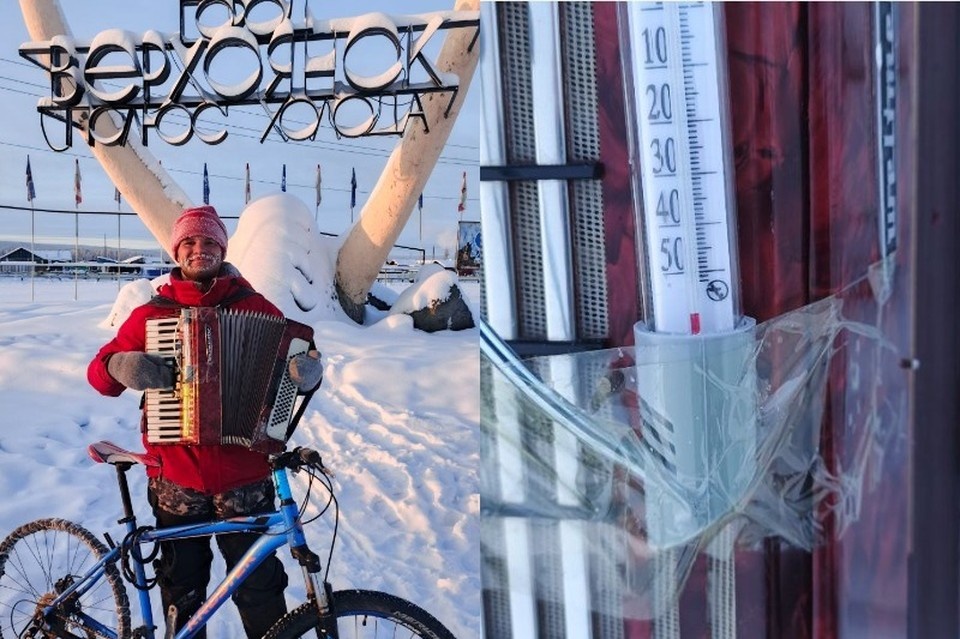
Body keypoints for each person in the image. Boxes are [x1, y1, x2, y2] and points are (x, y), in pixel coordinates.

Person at [87, 205, 323, 639]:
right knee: (183, 591)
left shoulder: (257, 308)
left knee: (260, 590)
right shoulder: (151, 315)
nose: (199, 250)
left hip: (245, 480)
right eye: (190, 242)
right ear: (177, 251)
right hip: (177, 480)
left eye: (209, 241)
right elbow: (99, 374)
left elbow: (296, 361)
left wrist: (308, 373)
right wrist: (121, 365)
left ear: (222, 248)